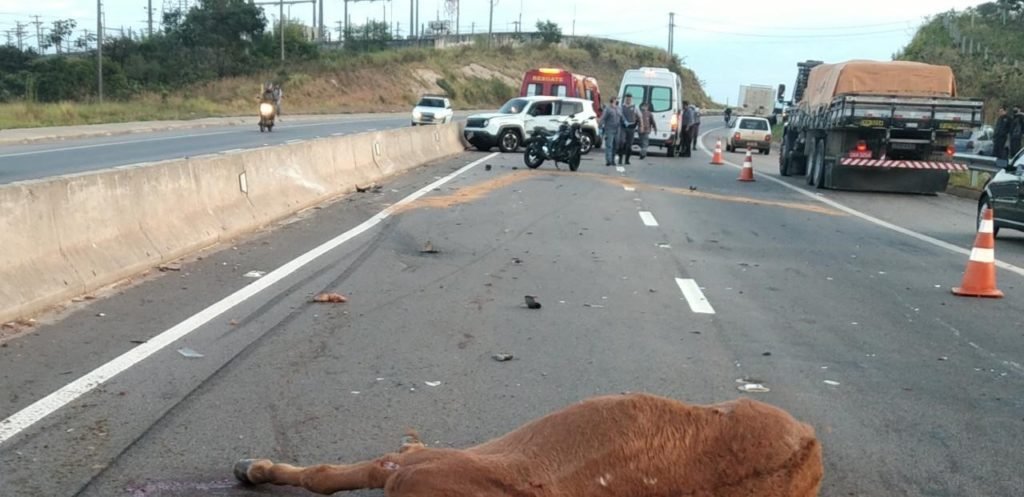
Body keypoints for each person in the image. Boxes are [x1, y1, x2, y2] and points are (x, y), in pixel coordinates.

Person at [600, 97, 623, 167]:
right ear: (612, 101)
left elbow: (621, 117)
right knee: (609, 145)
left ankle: (613, 160)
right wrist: (600, 126)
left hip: (617, 129)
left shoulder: (619, 108)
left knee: (615, 145)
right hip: (609, 129)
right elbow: (603, 118)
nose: (616, 102)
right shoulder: (607, 109)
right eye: (615, 100)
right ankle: (608, 160)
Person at [619, 93, 639, 165]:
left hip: (631, 127)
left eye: (629, 99)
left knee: (629, 144)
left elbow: (639, 116)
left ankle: (627, 160)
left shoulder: (635, 107)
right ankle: (620, 158)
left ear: (631, 99)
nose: (628, 100)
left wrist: (640, 125)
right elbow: (619, 115)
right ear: (625, 99)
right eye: (627, 99)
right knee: (622, 142)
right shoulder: (621, 106)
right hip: (623, 127)